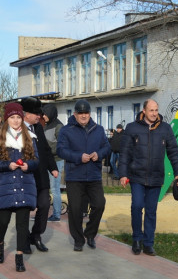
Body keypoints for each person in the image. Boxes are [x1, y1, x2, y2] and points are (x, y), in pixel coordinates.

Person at [118, 99, 178, 256]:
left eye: (156, 110)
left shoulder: (165, 129)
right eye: (151, 110)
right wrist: (123, 174)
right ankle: (136, 240)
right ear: (144, 111)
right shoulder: (132, 128)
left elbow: (173, 152)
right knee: (137, 206)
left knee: (151, 211)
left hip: (155, 176)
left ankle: (148, 243)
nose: (154, 113)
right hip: (137, 176)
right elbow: (125, 152)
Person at [0, 102, 39, 273]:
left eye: (18, 117)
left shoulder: (30, 136)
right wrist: (7, 165)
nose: (16, 121)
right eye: (12, 117)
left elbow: (37, 161)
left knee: (22, 225)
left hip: (25, 185)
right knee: (2, 221)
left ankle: (19, 257)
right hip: (5, 186)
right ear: (7, 119)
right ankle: (0, 244)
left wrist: (28, 165)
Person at [57, 99, 110, 252]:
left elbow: (107, 147)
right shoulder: (66, 130)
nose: (84, 115)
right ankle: (78, 239)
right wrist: (78, 157)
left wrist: (98, 154)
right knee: (75, 209)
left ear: (89, 113)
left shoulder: (98, 129)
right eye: (80, 113)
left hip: (93, 176)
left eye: (86, 112)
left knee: (99, 204)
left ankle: (90, 234)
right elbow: (61, 150)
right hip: (74, 176)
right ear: (75, 114)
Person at [21, 97, 58, 253]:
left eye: (40, 113)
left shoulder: (39, 128)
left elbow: (46, 150)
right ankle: (22, 241)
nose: (39, 116)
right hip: (24, 176)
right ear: (26, 114)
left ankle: (36, 236)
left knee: (44, 205)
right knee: (23, 211)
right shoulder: (16, 128)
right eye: (36, 114)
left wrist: (53, 168)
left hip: (40, 175)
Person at [42, 103, 65, 222]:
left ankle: (56, 215)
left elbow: (61, 146)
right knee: (48, 188)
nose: (43, 116)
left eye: (45, 114)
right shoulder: (46, 126)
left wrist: (48, 151)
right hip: (47, 161)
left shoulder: (58, 127)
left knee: (55, 188)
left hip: (56, 161)